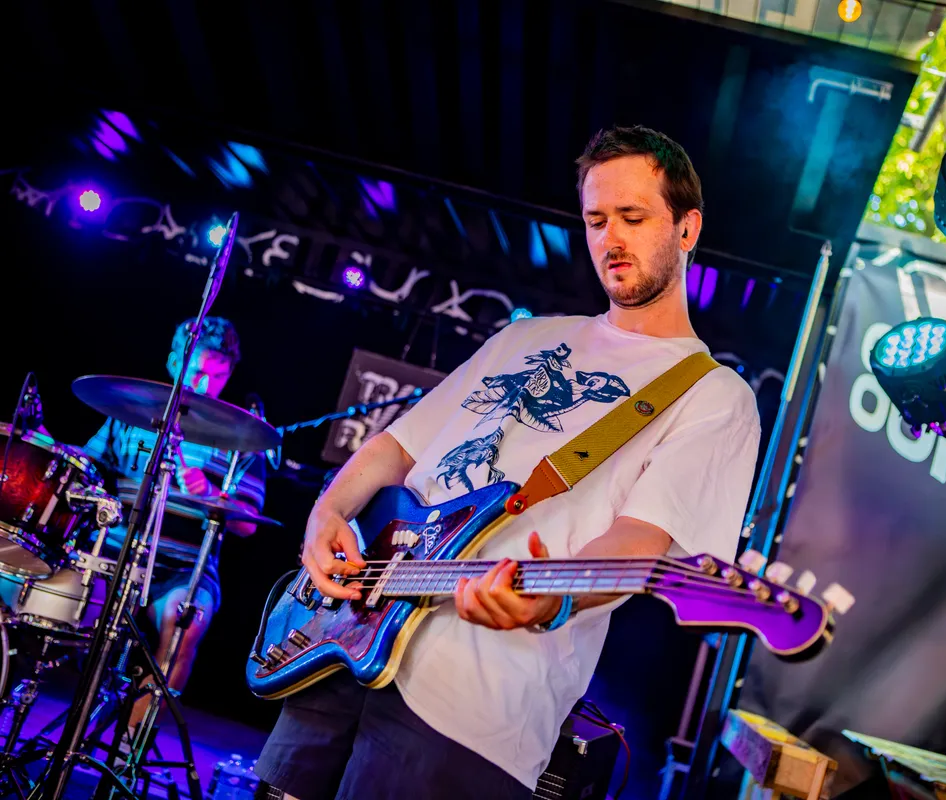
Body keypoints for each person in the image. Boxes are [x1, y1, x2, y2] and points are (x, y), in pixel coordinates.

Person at [253, 126, 761, 799]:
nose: (612, 239)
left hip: (471, 711)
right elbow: (396, 446)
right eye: (597, 220)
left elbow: (639, 539)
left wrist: (550, 597)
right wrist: (327, 513)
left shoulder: (712, 394)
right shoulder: (525, 336)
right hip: (342, 644)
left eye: (633, 218)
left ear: (687, 228)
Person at [82, 317, 267, 730]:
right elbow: (86, 469)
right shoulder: (130, 413)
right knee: (73, 610)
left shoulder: (241, 438)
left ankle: (130, 742)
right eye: (197, 371)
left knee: (186, 627)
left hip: (187, 569)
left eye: (218, 376)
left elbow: (249, 524)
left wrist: (210, 494)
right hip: (116, 553)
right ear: (174, 361)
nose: (204, 385)